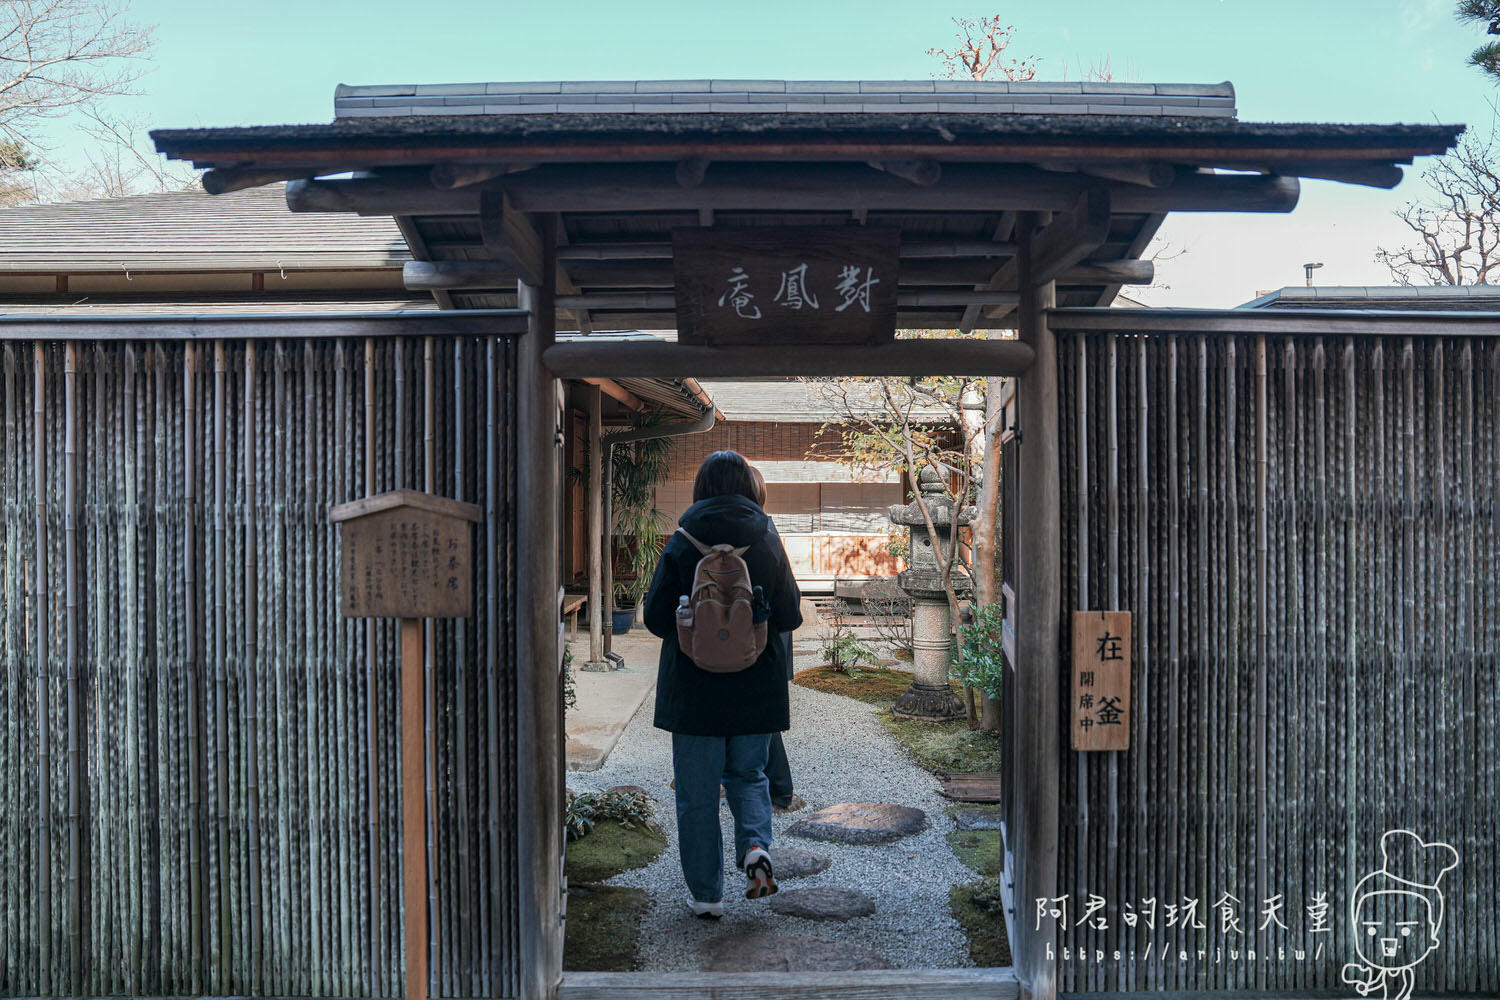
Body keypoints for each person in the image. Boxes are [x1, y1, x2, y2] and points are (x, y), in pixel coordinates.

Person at [645, 450, 803, 918]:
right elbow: (791, 614)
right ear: (749, 488)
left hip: (693, 691)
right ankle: (755, 847)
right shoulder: (767, 536)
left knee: (696, 795)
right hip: (756, 688)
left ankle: (706, 896)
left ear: (701, 488)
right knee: (749, 776)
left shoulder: (682, 538)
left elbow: (655, 619)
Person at [747, 465, 805, 814]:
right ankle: (778, 790)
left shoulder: (758, 532)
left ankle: (779, 789)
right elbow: (791, 604)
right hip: (767, 640)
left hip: (749, 641)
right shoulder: (765, 529)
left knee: (760, 719)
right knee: (763, 716)